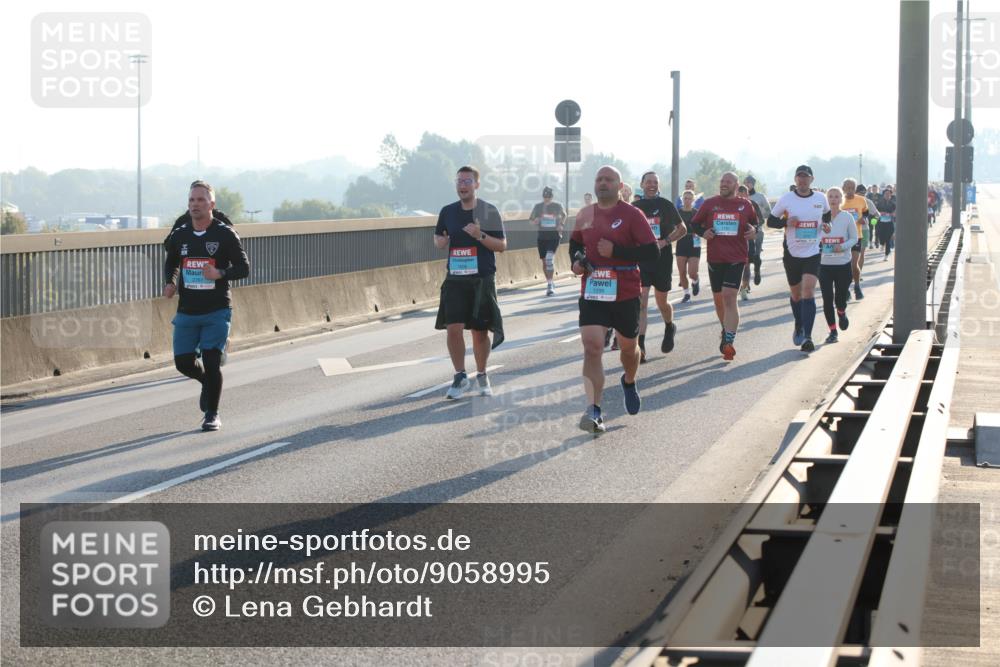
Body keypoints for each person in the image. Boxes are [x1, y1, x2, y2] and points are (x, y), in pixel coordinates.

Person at [570, 166, 658, 433]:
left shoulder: (633, 215)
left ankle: (629, 380)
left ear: (620, 186)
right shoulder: (585, 214)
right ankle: (594, 411)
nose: (603, 183)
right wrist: (576, 261)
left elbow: (652, 251)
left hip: (626, 291)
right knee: (592, 346)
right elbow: (575, 244)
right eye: (599, 179)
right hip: (594, 288)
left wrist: (616, 251)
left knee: (628, 349)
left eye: (609, 179)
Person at [163, 181, 250, 431]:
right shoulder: (180, 234)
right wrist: (170, 282)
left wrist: (219, 273)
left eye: (201, 200)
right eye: (192, 200)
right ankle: (206, 383)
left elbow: (244, 268)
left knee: (212, 361)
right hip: (188, 310)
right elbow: (172, 262)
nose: (195, 205)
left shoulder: (224, 234)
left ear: (211, 204)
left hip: (217, 308)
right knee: (183, 363)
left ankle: (212, 414)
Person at [434, 166, 507, 399]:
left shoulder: (488, 211)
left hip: (481, 279)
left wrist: (480, 235)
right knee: (453, 328)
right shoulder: (447, 212)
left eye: (467, 181)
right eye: (458, 181)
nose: (462, 185)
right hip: (455, 278)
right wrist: (441, 241)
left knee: (479, 331)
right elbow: (438, 237)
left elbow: (502, 245)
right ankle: (460, 376)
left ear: (476, 184)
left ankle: (482, 374)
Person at [689, 172, 759, 360]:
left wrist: (754, 231)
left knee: (729, 297)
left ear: (736, 185)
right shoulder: (710, 204)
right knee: (719, 301)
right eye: (722, 181)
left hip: (736, 257)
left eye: (728, 182)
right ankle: (725, 328)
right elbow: (694, 224)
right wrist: (704, 232)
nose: (723, 184)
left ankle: (729, 340)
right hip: (715, 258)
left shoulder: (745, 205)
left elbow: (755, 225)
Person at [767, 165, 831, 353]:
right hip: (792, 252)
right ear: (795, 179)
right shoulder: (787, 199)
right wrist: (786, 222)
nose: (802, 180)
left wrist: (827, 225)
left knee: (808, 291)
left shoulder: (820, 198)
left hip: (813, 251)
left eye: (806, 177)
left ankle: (808, 337)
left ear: (812, 179)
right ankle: (799, 324)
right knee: (796, 295)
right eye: (799, 177)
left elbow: (826, 215)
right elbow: (770, 221)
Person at [633, 170, 685, 361]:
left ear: (658, 185)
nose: (652, 185)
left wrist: (665, 241)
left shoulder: (666, 205)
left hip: (662, 259)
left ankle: (670, 325)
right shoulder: (635, 207)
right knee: (642, 302)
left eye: (655, 182)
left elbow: (683, 229)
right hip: (642, 260)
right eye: (648, 182)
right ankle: (641, 346)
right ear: (642, 184)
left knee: (662, 302)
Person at [818, 187, 858, 343]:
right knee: (827, 299)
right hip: (824, 265)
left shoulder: (847, 217)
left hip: (842, 264)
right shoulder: (820, 218)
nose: (833, 199)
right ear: (826, 200)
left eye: (836, 197)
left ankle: (841, 312)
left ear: (841, 199)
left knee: (840, 298)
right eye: (830, 197)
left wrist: (841, 246)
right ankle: (833, 331)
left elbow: (854, 238)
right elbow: (813, 238)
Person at [529, 186, 566, 296]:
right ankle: (550, 281)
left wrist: (561, 224)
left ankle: (550, 287)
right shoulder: (538, 207)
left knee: (549, 259)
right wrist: (535, 221)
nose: (547, 199)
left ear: (552, 197)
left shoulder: (557, 206)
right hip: (542, 237)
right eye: (545, 197)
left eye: (549, 197)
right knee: (545, 262)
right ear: (543, 196)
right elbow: (531, 220)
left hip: (554, 236)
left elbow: (564, 215)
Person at [840, 178, 869, 300]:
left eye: (852, 188)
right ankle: (845, 289)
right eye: (847, 188)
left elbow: (866, 212)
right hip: (842, 237)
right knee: (844, 265)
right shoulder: (840, 200)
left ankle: (857, 286)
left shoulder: (861, 200)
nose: (850, 190)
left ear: (855, 189)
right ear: (843, 188)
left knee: (853, 263)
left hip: (856, 235)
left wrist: (864, 219)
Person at [737, 184, 764, 301]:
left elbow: (761, 220)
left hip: (750, 238)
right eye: (739, 196)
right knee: (737, 265)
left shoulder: (753, 205)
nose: (742, 198)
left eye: (744, 196)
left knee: (749, 263)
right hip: (734, 240)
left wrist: (753, 228)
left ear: (748, 195)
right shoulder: (732, 205)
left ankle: (744, 287)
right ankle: (741, 285)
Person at [743, 175, 771, 286]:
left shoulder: (760, 197)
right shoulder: (740, 196)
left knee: (756, 255)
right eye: (745, 182)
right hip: (743, 230)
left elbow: (768, 211)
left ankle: (757, 271)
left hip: (758, 229)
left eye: (749, 183)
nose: (747, 184)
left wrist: (760, 218)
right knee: (745, 257)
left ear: (753, 184)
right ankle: (746, 283)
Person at [675, 189, 702, 303]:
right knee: (682, 272)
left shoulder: (697, 212)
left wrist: (700, 231)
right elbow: (673, 226)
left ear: (693, 200)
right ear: (682, 199)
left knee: (692, 272)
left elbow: (702, 226)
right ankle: (686, 293)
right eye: (685, 198)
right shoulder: (678, 212)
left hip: (694, 242)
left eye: (689, 198)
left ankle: (695, 281)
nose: (687, 200)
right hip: (681, 241)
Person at [877, 186, 897, 259]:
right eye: (886, 194)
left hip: (890, 223)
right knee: (881, 235)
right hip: (881, 222)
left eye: (889, 194)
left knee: (888, 238)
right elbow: (876, 212)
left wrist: (892, 214)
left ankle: (886, 254)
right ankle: (882, 243)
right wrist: (880, 213)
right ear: (883, 195)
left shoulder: (893, 204)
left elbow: (896, 212)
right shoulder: (880, 203)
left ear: (891, 195)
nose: (888, 195)